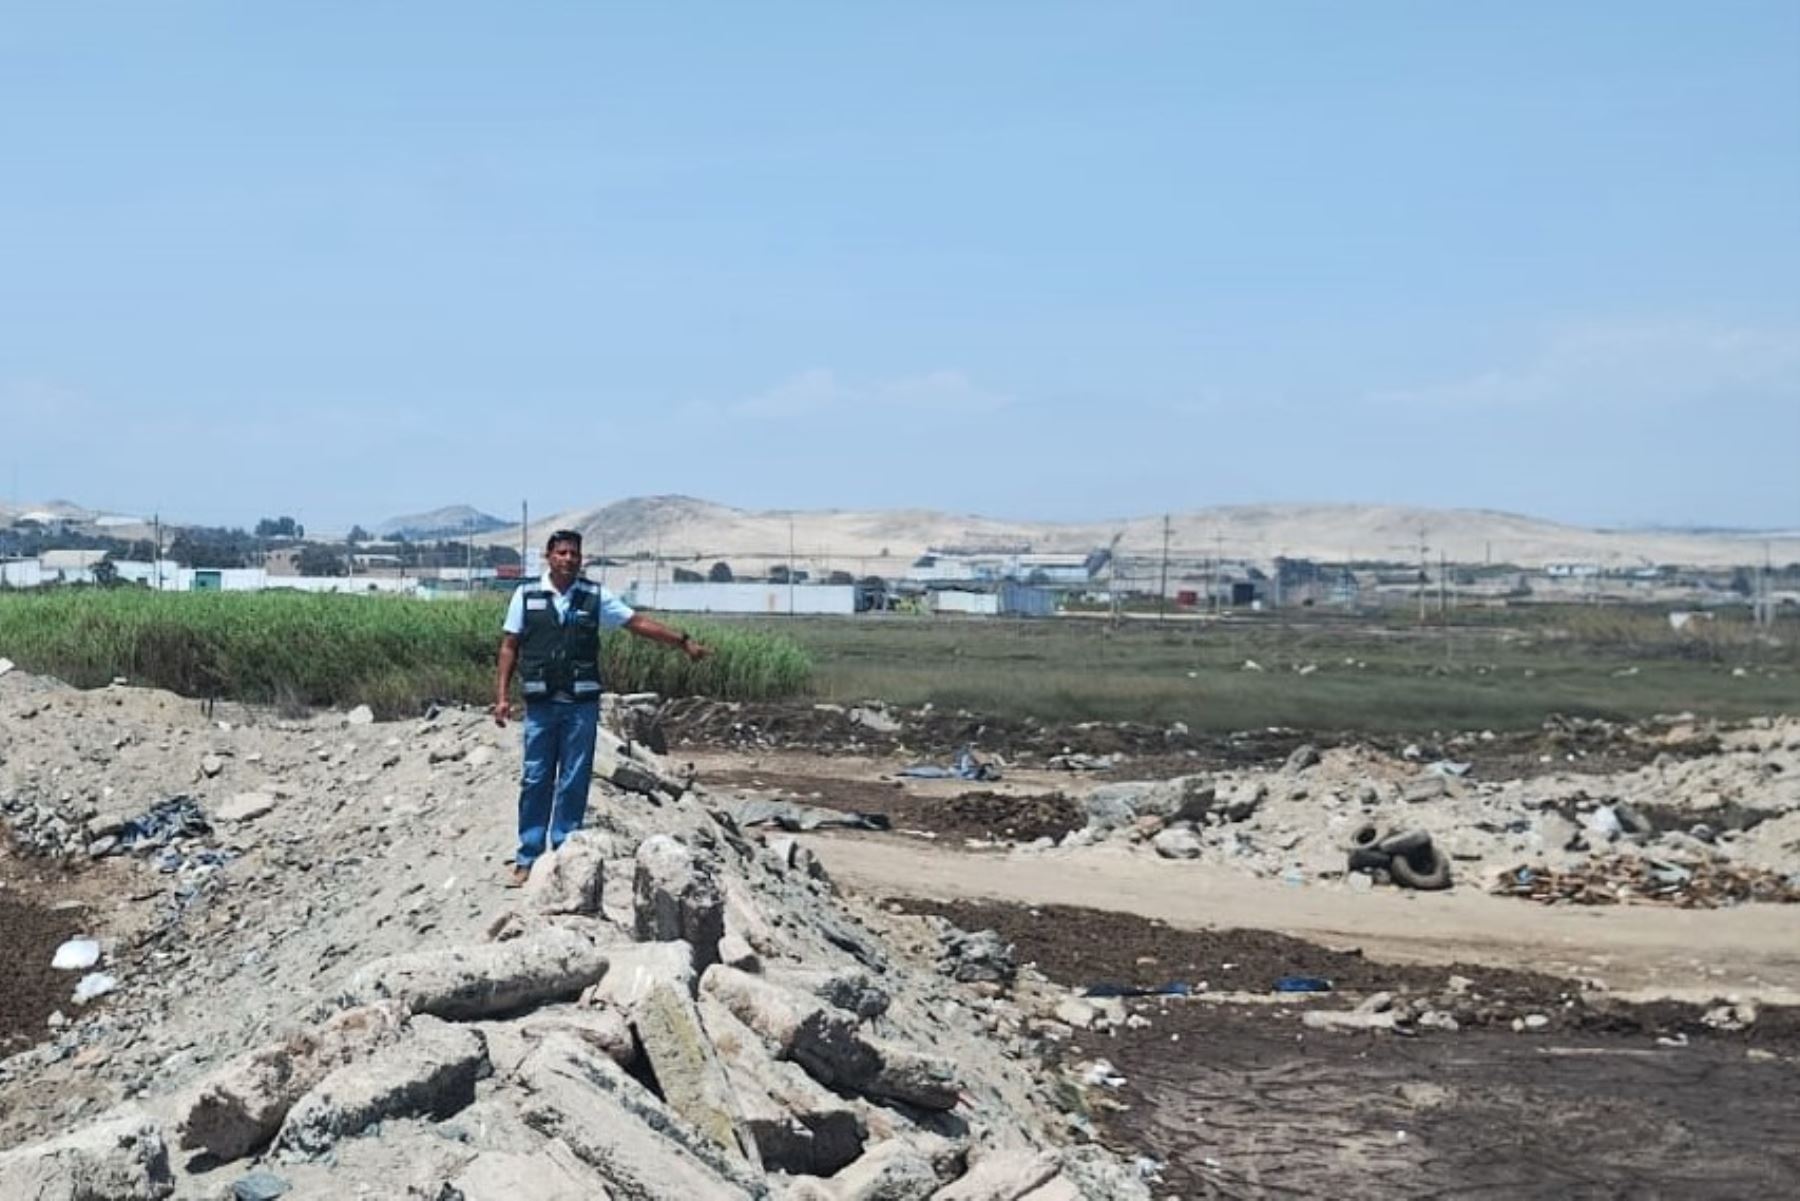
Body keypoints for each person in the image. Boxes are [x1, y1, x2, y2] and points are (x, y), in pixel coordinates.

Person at [493, 528, 709, 885]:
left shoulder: (594, 597)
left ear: (581, 559)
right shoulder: (526, 595)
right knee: (535, 778)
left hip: (580, 704)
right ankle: (527, 857)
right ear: (548, 557)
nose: (568, 559)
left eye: (574, 554)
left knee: (574, 779)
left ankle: (565, 852)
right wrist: (501, 697)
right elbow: (509, 646)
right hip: (542, 703)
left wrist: (682, 641)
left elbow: (636, 623)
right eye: (561, 553)